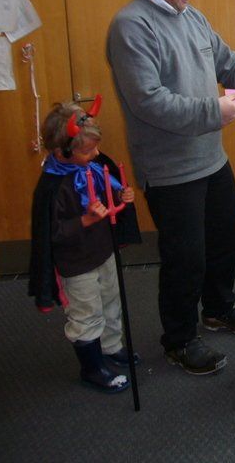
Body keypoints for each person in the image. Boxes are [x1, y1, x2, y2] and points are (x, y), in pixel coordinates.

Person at [106, 0, 235, 376]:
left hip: (210, 157)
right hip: (168, 167)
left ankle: (218, 309)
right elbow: (149, 101)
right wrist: (214, 111)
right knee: (185, 258)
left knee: (226, 240)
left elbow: (227, 61)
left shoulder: (193, 17)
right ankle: (180, 340)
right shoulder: (131, 26)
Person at [28, 99, 141, 394]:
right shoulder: (52, 186)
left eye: (96, 147)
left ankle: (110, 347)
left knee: (111, 302)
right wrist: (85, 220)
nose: (96, 154)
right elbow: (51, 233)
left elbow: (109, 200)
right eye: (88, 150)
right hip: (76, 264)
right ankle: (92, 369)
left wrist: (122, 198)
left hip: (103, 252)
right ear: (62, 152)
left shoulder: (95, 168)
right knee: (86, 313)